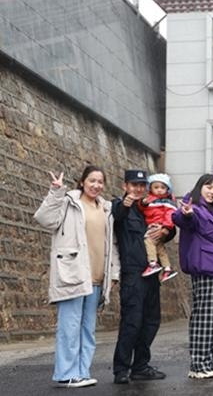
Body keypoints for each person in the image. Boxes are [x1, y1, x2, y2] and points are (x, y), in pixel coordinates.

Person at [33, 166, 120, 388]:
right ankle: (66, 374)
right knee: (69, 327)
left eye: (100, 181)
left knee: (88, 329)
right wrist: (55, 192)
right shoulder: (68, 202)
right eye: (92, 180)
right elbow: (44, 219)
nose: (96, 185)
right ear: (82, 182)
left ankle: (82, 372)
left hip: (97, 277)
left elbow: (112, 244)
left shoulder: (106, 209)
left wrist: (114, 273)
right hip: (73, 274)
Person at [112, 169, 175, 384]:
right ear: (125, 186)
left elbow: (168, 224)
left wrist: (166, 231)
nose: (138, 189)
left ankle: (140, 366)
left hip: (152, 272)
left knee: (151, 320)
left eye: (141, 185)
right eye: (134, 185)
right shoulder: (121, 205)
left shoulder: (148, 206)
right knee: (132, 322)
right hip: (133, 274)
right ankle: (121, 368)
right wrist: (126, 203)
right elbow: (117, 216)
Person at [173, 174, 213, 379]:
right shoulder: (194, 207)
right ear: (200, 188)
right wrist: (186, 214)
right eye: (208, 187)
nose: (212, 192)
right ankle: (198, 364)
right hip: (204, 269)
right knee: (204, 318)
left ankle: (210, 361)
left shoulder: (212, 211)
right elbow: (182, 219)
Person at [137, 173, 178, 282]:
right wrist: (143, 203)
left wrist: (166, 227)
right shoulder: (149, 199)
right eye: (156, 187)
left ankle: (152, 263)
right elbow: (142, 208)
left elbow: (170, 215)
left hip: (158, 225)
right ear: (150, 188)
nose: (159, 190)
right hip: (155, 225)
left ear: (167, 189)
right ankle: (167, 268)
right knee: (160, 248)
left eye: (162, 187)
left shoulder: (168, 202)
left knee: (148, 241)